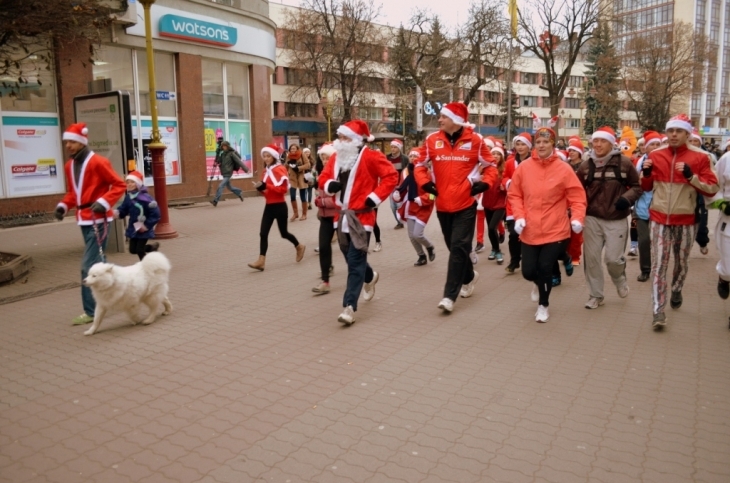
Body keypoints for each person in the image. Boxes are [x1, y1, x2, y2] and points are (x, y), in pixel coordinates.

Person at [415, 102, 497, 313]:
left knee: (459, 247)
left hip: (465, 204)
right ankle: (469, 276)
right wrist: (424, 182)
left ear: (456, 120)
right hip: (442, 205)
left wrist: (486, 183)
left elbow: (491, 166)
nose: (439, 120)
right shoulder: (432, 140)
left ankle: (449, 296)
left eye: (444, 116)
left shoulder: (475, 140)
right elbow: (419, 165)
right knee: (455, 247)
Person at [641, 114, 719, 329]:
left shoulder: (701, 157)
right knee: (659, 266)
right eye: (670, 131)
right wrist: (646, 174)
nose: (674, 134)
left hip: (686, 220)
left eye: (678, 131)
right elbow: (646, 187)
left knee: (681, 263)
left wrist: (691, 176)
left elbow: (712, 187)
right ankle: (658, 311)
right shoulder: (656, 155)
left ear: (687, 133)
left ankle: (676, 288)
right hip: (658, 219)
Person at [318, 120, 398, 325]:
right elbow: (322, 179)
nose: (341, 141)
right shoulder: (336, 157)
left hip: (363, 217)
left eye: (345, 138)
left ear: (356, 140)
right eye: (340, 137)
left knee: (354, 261)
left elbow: (390, 176)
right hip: (341, 216)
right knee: (350, 257)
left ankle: (349, 307)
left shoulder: (371, 156)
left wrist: (375, 197)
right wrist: (329, 184)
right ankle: (370, 277)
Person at [507, 127, 587, 322]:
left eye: (545, 142)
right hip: (530, 228)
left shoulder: (563, 168)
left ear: (553, 143)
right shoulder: (525, 167)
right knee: (528, 271)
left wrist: (577, 218)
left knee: (545, 268)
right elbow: (515, 194)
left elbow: (577, 197)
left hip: (555, 229)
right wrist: (518, 216)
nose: (541, 145)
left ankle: (543, 305)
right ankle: (536, 282)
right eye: (538, 142)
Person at [54, 122, 127, 326]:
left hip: (99, 220)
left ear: (81, 142)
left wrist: (104, 202)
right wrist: (63, 206)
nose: (68, 145)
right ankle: (119, 294)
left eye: (71, 141)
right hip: (84, 219)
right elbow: (73, 193)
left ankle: (90, 311)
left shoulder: (98, 162)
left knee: (88, 266)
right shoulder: (70, 165)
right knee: (101, 264)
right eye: (66, 141)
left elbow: (119, 184)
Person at [576, 126, 642, 310]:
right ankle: (596, 295)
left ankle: (619, 279)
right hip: (592, 218)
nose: (597, 144)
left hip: (616, 217)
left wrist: (626, 199)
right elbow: (576, 190)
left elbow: (637, 186)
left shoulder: (624, 163)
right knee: (593, 259)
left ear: (611, 143)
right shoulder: (586, 164)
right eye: (595, 140)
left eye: (602, 141)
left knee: (613, 259)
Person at [247, 144, 306, 271]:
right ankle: (261, 261)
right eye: (264, 156)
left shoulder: (280, 169)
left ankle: (299, 246)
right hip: (268, 206)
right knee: (263, 233)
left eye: (268, 156)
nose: (266, 158)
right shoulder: (265, 171)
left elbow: (283, 190)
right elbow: (266, 192)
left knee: (284, 233)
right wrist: (261, 188)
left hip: (280, 206)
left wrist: (267, 186)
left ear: (273, 157)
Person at [393, 146, 436, 266]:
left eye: (415, 156)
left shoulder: (429, 174)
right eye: (411, 156)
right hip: (410, 207)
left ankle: (430, 247)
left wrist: (422, 199)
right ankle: (421, 256)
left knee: (417, 234)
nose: (412, 158)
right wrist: (397, 196)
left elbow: (434, 195)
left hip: (423, 208)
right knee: (412, 236)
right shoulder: (406, 172)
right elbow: (401, 188)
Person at [634, 131, 662, 282]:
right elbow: (634, 185)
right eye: (653, 144)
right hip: (642, 209)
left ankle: (659, 269)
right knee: (644, 240)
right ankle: (645, 269)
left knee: (659, 242)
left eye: (659, 144)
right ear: (645, 147)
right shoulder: (639, 163)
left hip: (661, 209)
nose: (656, 147)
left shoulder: (666, 161)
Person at [114, 170, 161, 260]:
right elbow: (124, 209)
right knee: (132, 250)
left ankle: (146, 268)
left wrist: (146, 225)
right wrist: (117, 213)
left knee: (139, 250)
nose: (130, 184)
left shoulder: (146, 197)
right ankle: (151, 248)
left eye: (132, 182)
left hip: (144, 227)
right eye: (128, 182)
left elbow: (156, 214)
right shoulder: (128, 197)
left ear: (138, 184)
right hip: (134, 227)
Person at [503, 133, 532, 274]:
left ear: (529, 146)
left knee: (527, 233)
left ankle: (528, 259)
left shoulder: (534, 161)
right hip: (512, 204)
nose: (520, 147)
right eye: (518, 144)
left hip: (530, 203)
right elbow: (504, 177)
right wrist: (508, 183)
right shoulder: (509, 162)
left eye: (523, 144)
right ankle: (514, 261)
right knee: (514, 234)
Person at [312, 143, 337, 294]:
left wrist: (321, 202)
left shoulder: (339, 175)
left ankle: (366, 275)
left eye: (327, 158)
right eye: (322, 158)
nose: (325, 161)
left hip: (338, 216)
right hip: (325, 217)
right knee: (323, 246)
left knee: (346, 249)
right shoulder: (322, 174)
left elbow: (338, 200)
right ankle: (325, 281)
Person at [689, 129, 716, 255]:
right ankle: (685, 248)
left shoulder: (707, 157)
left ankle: (703, 241)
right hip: (686, 196)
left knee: (701, 225)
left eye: (696, 141)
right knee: (687, 224)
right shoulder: (683, 155)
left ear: (700, 143)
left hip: (701, 196)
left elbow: (712, 178)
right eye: (691, 141)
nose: (693, 143)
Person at [480, 142, 507, 264]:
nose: (495, 156)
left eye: (498, 154)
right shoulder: (485, 168)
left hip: (500, 204)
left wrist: (505, 187)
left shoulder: (505, 169)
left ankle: (498, 251)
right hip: (487, 203)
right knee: (491, 230)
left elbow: (512, 184)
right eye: (493, 153)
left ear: (502, 157)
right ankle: (494, 249)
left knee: (492, 227)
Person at [712, 142, 730, 308]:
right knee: (729, 269)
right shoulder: (726, 159)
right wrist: (721, 204)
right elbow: (713, 185)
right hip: (729, 220)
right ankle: (724, 278)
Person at [210, 141, 248, 207]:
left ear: (228, 146)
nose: (224, 147)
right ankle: (239, 192)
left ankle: (215, 201)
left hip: (228, 173)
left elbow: (239, 161)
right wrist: (217, 153)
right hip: (224, 173)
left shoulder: (231, 154)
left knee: (221, 185)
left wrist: (245, 169)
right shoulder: (222, 155)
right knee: (230, 187)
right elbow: (217, 161)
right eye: (223, 146)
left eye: (225, 146)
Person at [565, 139, 585, 265]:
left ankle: (575, 256)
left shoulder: (585, 165)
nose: (571, 153)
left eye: (574, 150)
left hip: (578, 201)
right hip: (564, 201)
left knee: (576, 231)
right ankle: (566, 254)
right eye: (570, 150)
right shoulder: (564, 165)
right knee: (565, 231)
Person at [387, 139, 409, 229]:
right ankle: (399, 221)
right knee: (392, 206)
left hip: (401, 185)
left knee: (399, 205)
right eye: (392, 147)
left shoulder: (404, 158)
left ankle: (401, 221)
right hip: (391, 185)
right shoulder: (387, 158)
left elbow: (408, 170)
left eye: (395, 147)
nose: (393, 149)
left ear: (399, 148)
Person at [285, 144, 311, 221]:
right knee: (292, 196)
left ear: (297, 149)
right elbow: (286, 166)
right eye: (291, 149)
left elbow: (308, 164)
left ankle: (304, 214)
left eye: (294, 148)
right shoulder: (288, 156)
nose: (292, 150)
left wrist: (298, 168)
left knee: (303, 196)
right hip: (292, 178)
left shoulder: (301, 154)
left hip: (301, 177)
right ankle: (295, 213)